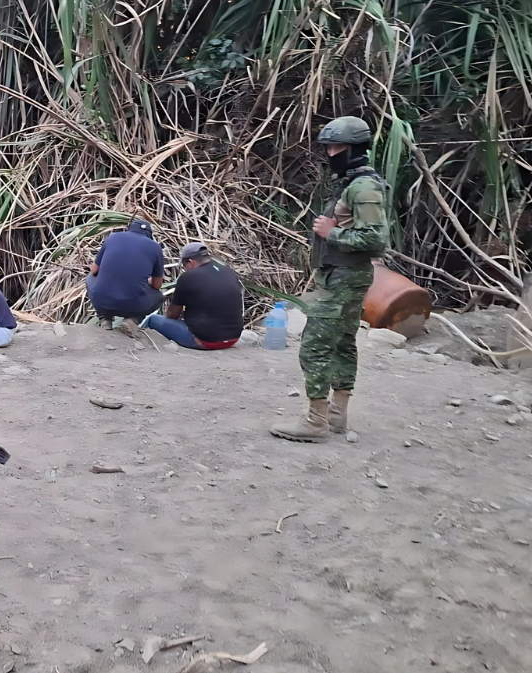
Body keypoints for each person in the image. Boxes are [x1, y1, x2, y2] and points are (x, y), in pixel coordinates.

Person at [270, 116, 391, 442]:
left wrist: (331, 233)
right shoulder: (354, 184)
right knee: (341, 344)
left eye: (337, 147)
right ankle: (336, 416)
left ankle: (315, 421)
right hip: (343, 277)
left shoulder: (363, 187)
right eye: (328, 147)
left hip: (345, 277)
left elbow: (376, 240)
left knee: (315, 346)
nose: (330, 153)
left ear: (355, 149)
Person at [141, 242, 243, 350]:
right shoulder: (227, 271)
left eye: (185, 265)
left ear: (190, 262)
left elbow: (172, 315)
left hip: (205, 340)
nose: (185, 269)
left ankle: (134, 342)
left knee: (152, 319)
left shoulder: (188, 277)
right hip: (233, 338)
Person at [85, 218, 165, 336]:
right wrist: (145, 280)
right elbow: (157, 285)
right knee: (159, 297)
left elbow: (95, 270)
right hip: (133, 304)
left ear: (127, 229)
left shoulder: (112, 238)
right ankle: (132, 320)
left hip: (104, 300)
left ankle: (105, 319)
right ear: (148, 235)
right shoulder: (155, 247)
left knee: (89, 278)